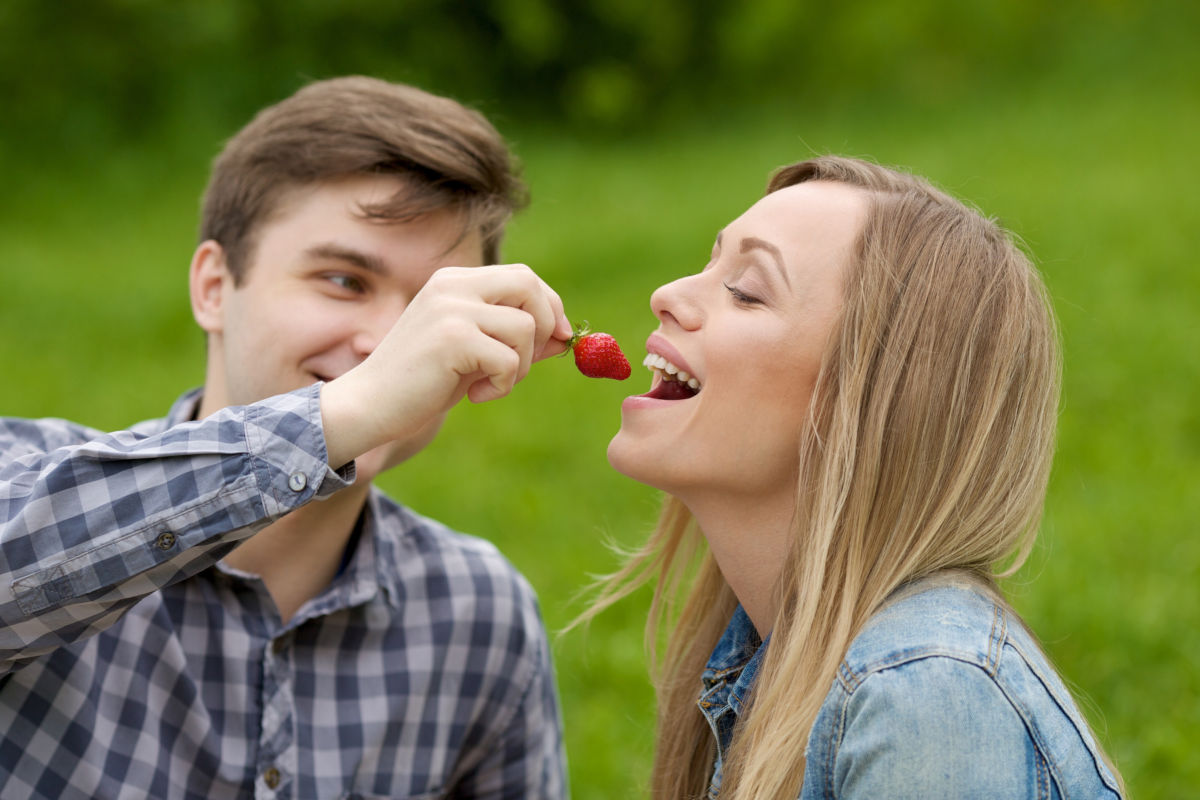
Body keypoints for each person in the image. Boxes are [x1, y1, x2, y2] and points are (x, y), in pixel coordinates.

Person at [0, 76, 570, 798]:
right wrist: (343, 412)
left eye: (435, 308)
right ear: (214, 286)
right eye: (343, 279)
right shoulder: (23, 474)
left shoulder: (480, 614)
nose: (393, 346)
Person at [588, 155, 1125, 798]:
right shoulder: (765, 657)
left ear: (865, 405)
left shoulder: (925, 691)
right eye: (710, 263)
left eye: (746, 289)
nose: (667, 295)